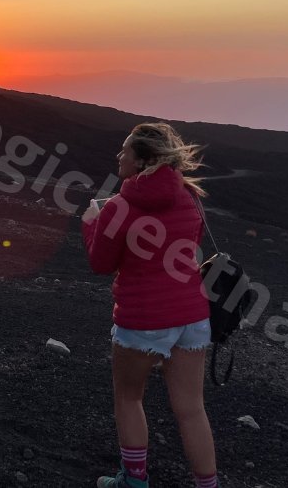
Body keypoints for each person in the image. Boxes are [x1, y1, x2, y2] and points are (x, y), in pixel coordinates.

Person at [81, 123, 219, 488]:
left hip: (142, 318)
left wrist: (91, 224)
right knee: (191, 409)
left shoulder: (118, 206)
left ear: (142, 160)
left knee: (129, 399)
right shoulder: (190, 197)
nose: (119, 156)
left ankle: (134, 480)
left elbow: (101, 263)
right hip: (193, 315)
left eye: (125, 150)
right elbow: (190, 247)